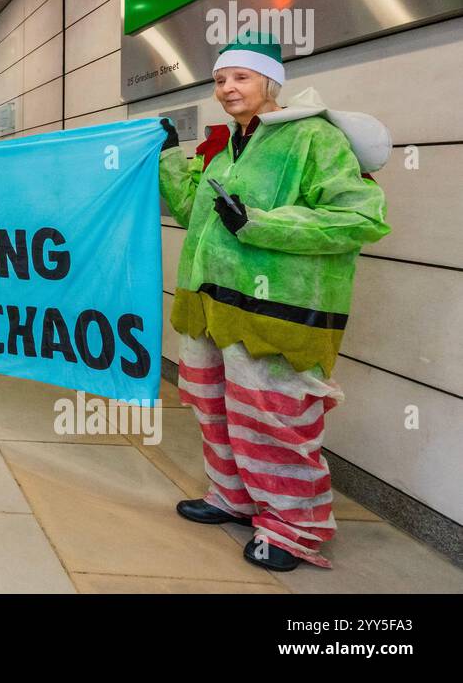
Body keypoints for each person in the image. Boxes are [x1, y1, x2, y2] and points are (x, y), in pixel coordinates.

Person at [158, 35, 390, 572]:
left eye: (240, 77)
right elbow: (195, 208)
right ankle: (232, 497)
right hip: (211, 305)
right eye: (219, 80)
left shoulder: (314, 137)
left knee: (275, 419)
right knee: (215, 409)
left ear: (270, 82)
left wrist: (261, 224)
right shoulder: (225, 143)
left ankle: (292, 527)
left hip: (278, 311)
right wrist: (170, 157)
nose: (227, 88)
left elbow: (360, 218)